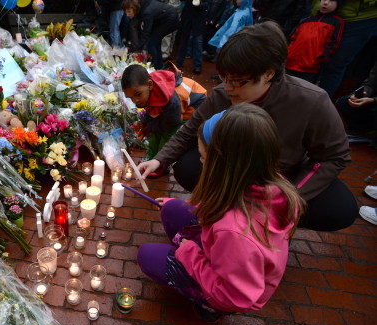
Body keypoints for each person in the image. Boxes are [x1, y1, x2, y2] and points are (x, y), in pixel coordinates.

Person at [138, 21, 358, 232]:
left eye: (238, 81)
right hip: (235, 172)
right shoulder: (225, 93)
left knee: (341, 207)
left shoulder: (311, 100)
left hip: (279, 179)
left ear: (269, 73)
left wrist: (289, 198)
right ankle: (228, 211)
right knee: (187, 166)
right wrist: (160, 159)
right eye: (225, 78)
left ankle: (271, 226)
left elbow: (335, 156)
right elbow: (191, 128)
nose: (229, 88)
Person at [137, 104, 304, 322]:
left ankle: (210, 307)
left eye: (203, 158)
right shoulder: (266, 183)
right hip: (226, 252)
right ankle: (196, 255)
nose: (199, 161)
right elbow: (222, 208)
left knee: (147, 256)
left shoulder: (235, 231)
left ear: (224, 166)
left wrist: (190, 255)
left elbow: (236, 296)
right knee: (172, 209)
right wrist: (177, 204)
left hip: (229, 291)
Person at [122, 64, 207, 177]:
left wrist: (150, 127)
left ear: (150, 85)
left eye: (137, 95)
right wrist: (144, 122)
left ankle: (163, 162)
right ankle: (152, 155)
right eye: (131, 97)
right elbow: (151, 110)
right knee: (153, 132)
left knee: (167, 137)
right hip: (172, 114)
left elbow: (171, 124)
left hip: (192, 111)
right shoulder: (147, 91)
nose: (136, 100)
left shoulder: (171, 98)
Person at [314, 0, 377, 97]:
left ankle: (317, 105)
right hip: (321, 10)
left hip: (360, 19)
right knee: (309, 57)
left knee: (335, 65)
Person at [285, 0, 345, 84]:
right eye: (323, 0)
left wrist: (321, 57)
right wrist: (289, 53)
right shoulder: (307, 19)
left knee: (302, 89)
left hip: (310, 66)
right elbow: (293, 37)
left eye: (331, 1)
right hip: (290, 62)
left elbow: (333, 43)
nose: (326, 3)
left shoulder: (336, 22)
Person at [122, 0, 180, 69]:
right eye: (126, 12)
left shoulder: (146, 12)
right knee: (155, 42)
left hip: (169, 20)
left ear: (134, 8)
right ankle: (159, 66)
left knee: (151, 43)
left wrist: (138, 48)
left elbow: (146, 32)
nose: (127, 15)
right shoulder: (140, 7)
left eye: (129, 12)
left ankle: (155, 67)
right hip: (162, 18)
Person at [335, 59, 377, 139]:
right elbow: (370, 83)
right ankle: (361, 130)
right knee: (343, 102)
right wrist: (357, 95)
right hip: (371, 99)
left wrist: (373, 100)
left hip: (374, 101)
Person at [175, 0, 209, 75]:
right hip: (187, 18)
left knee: (198, 43)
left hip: (199, 19)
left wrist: (199, 4)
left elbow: (207, 5)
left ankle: (197, 66)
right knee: (183, 41)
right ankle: (179, 62)